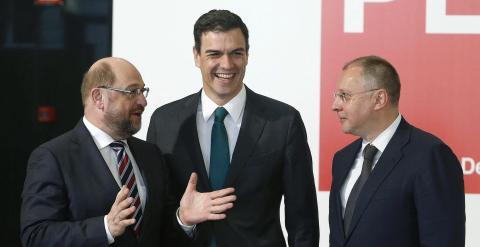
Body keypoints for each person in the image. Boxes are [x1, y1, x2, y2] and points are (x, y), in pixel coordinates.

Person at [20, 57, 236, 247]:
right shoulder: (53, 157)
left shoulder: (150, 155)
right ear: (98, 98)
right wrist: (105, 228)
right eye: (132, 92)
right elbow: (36, 235)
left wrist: (183, 219)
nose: (143, 101)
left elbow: (160, 234)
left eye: (143, 91)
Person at [147, 9, 319, 247]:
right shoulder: (164, 121)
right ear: (196, 56)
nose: (226, 64)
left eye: (236, 53)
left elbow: (303, 222)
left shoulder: (283, 122)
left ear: (247, 55)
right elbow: (155, 212)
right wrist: (183, 219)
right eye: (214, 54)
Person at [329, 55, 465, 247]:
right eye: (335, 96)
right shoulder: (342, 159)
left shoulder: (430, 156)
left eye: (345, 96)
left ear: (379, 99)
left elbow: (443, 240)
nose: (335, 106)